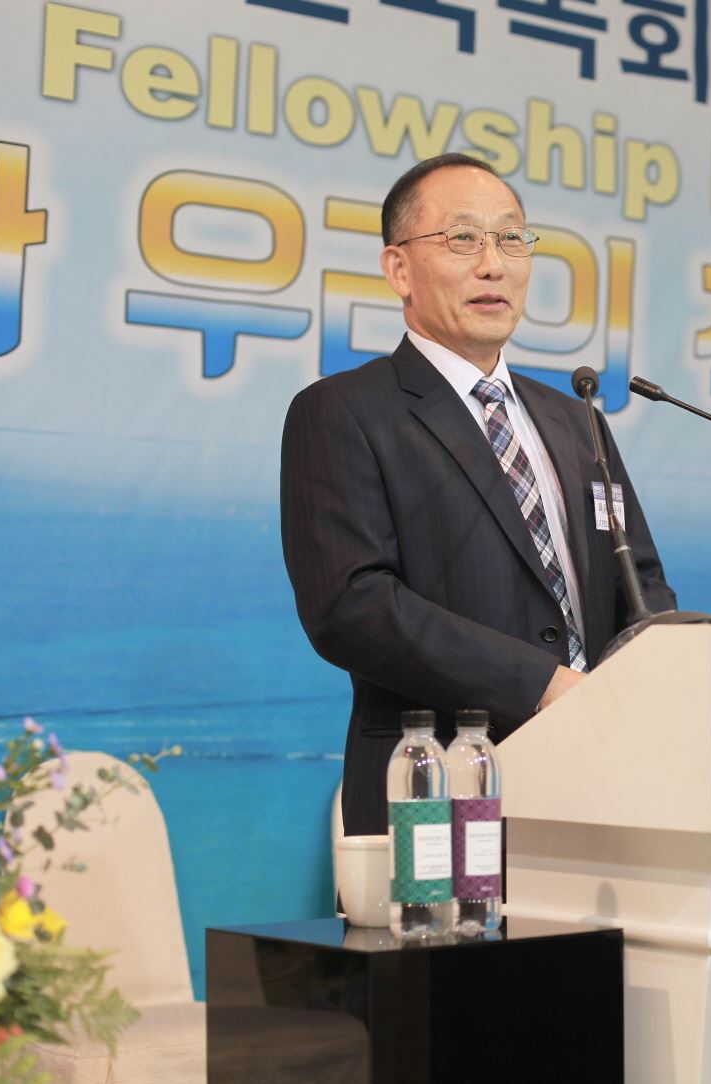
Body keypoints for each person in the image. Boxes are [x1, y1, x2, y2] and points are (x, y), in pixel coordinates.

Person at [281, 153, 675, 836]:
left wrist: (664, 677)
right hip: (438, 784)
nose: (493, 265)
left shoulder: (576, 418)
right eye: (462, 238)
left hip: (599, 782)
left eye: (511, 238)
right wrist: (542, 683)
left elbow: (638, 584)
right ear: (399, 269)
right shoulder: (345, 411)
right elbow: (352, 606)